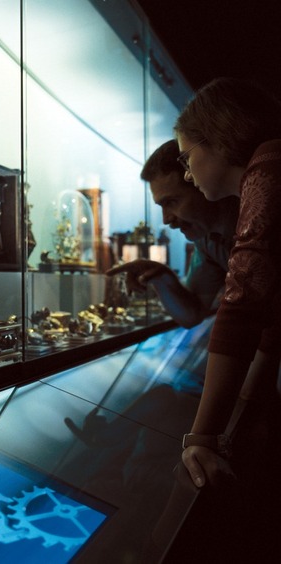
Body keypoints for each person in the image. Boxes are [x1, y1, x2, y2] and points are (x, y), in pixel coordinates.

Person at [174, 77, 281, 489]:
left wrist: (202, 439)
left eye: (186, 158)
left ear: (219, 137)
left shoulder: (269, 164)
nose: (187, 175)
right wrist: (252, 392)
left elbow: (244, 301)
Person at [106, 140, 239, 329]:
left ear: (200, 184)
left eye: (172, 202)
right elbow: (192, 315)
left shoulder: (258, 217)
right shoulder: (207, 240)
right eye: (162, 206)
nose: (166, 219)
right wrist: (163, 277)